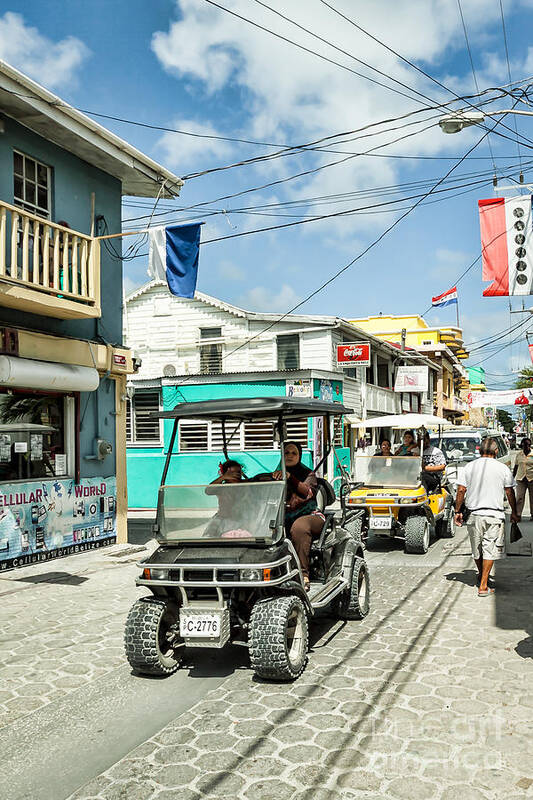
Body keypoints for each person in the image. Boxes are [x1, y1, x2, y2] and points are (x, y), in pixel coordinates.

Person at [455, 437, 519, 597]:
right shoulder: (503, 468)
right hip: (494, 514)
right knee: (489, 548)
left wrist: (457, 511)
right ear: (496, 451)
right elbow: (509, 491)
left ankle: (482, 576)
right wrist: (514, 512)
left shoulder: (469, 467)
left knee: (477, 549)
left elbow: (461, 490)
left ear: (479, 450)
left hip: (474, 514)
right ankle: (483, 585)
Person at [271, 441, 324, 591]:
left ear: (299, 456)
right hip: (284, 515)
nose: (289, 456)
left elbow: (307, 492)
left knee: (299, 527)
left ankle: (303, 574)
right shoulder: (276, 473)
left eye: (294, 453)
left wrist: (291, 478)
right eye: (286, 453)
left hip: (310, 515)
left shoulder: (308, 474)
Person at [513, 437, 533, 521]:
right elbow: (516, 467)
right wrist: (512, 478)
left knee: (532, 497)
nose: (527, 446)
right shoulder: (519, 454)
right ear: (522, 445)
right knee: (520, 497)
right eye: (525, 445)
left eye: (528, 445)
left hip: (531, 478)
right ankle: (518, 514)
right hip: (521, 479)